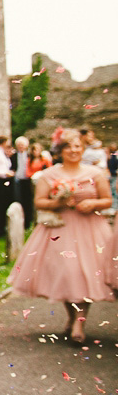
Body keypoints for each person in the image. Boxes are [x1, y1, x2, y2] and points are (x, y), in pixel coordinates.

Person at [8, 128, 118, 345]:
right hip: (60, 229)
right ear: (60, 150)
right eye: (68, 146)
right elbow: (39, 201)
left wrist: (92, 204)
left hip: (90, 229)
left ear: (83, 149)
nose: (73, 150)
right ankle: (71, 316)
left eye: (77, 146)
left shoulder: (95, 174)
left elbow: (107, 200)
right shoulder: (49, 175)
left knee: (84, 274)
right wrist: (58, 203)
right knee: (67, 274)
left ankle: (79, 322)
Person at [11, 136, 33, 228]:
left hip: (27, 179)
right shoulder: (13, 156)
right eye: (19, 145)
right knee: (18, 200)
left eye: (22, 145)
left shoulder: (29, 155)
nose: (21, 146)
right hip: (17, 180)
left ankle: (27, 222)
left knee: (28, 201)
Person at [108, 143, 118, 212]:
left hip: (116, 175)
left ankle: (115, 206)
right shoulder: (111, 155)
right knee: (112, 191)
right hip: (111, 175)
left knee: (115, 190)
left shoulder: (115, 155)